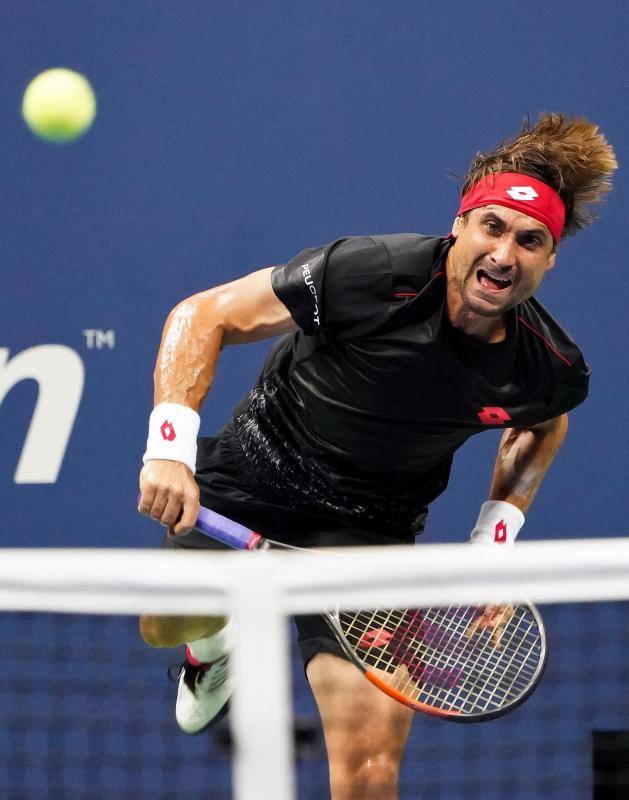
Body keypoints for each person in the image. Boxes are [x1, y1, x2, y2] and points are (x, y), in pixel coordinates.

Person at [137, 113, 616, 800]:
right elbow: (203, 315)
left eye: (529, 240)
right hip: (251, 476)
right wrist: (169, 449)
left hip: (369, 537)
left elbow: (540, 428)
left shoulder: (547, 367)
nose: (504, 254)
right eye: (491, 228)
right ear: (459, 226)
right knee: (163, 625)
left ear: (548, 258)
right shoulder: (369, 274)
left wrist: (494, 544)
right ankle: (211, 648)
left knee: (368, 771)